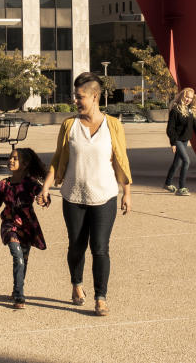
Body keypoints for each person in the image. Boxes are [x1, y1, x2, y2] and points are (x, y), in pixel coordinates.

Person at [37, 71, 132, 317]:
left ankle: (101, 297)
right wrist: (46, 187)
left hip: (105, 195)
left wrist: (126, 192)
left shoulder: (113, 125)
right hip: (73, 196)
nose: (76, 101)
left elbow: (121, 159)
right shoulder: (69, 125)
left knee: (100, 248)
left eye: (80, 97)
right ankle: (77, 284)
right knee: (76, 247)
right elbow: (58, 159)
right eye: (75, 97)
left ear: (95, 96)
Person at [0, 146, 48, 309]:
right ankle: (19, 295)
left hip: (27, 225)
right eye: (10, 158)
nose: (11, 160)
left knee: (23, 259)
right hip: (9, 223)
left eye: (15, 158)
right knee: (16, 254)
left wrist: (43, 199)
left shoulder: (31, 183)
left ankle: (17, 287)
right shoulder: (4, 183)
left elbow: (44, 195)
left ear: (24, 164)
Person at [164, 87, 196, 196]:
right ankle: (181, 188)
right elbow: (170, 129)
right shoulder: (175, 110)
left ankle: (167, 183)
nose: (188, 99)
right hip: (177, 139)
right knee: (186, 161)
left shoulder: (191, 110)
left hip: (184, 140)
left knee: (176, 163)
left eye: (190, 98)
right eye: (187, 97)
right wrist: (173, 143)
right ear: (182, 96)